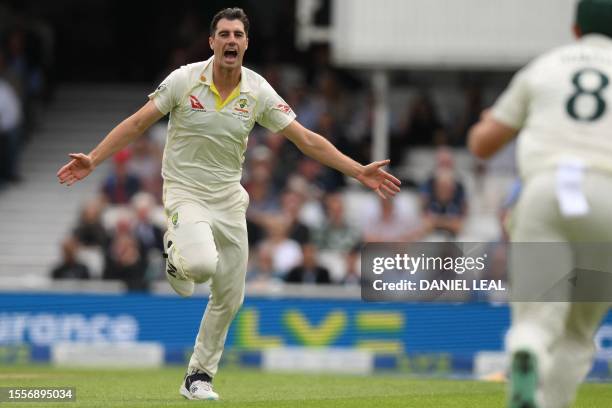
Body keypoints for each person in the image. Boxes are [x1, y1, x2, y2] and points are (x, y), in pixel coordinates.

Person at [56, 7, 400, 401]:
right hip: (185, 191)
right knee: (201, 266)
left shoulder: (258, 91)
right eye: (224, 34)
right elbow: (137, 123)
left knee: (230, 296)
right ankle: (176, 253)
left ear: (247, 43)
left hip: (230, 199)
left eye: (238, 34)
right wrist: (94, 159)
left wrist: (358, 171)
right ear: (212, 42)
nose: (231, 40)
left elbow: (305, 139)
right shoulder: (184, 80)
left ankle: (197, 376)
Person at [468, 1, 612, 407]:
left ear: (576, 28)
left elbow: (482, 144)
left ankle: (526, 349)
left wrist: (490, 119)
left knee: (535, 319)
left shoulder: (545, 66)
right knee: (577, 335)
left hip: (547, 190)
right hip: (606, 195)